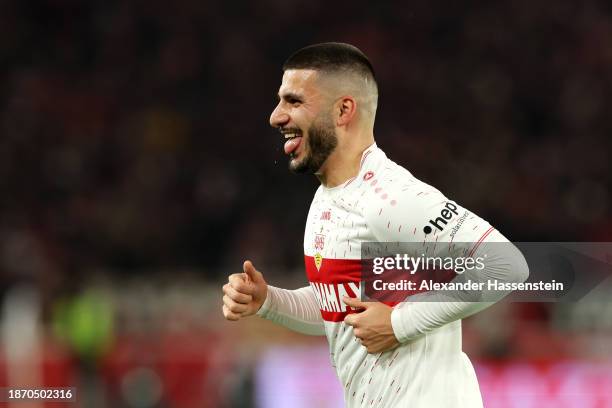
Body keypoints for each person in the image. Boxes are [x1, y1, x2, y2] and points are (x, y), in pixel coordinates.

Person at [222, 42, 529, 407]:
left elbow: (506, 265)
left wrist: (400, 325)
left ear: (343, 110)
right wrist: (268, 300)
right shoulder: (328, 199)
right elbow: (339, 310)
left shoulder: (391, 198)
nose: (276, 116)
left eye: (294, 101)